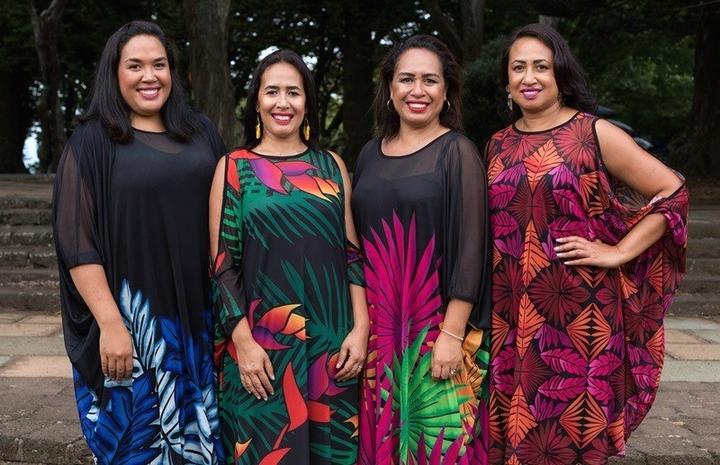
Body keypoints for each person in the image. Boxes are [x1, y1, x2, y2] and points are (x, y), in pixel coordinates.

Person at [486, 23, 688, 465]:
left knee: (570, 438)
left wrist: (618, 252)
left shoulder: (592, 134)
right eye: (518, 68)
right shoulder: (497, 144)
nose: (529, 77)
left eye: (541, 66)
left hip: (580, 313)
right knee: (514, 434)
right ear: (506, 81)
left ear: (560, 73)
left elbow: (672, 192)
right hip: (511, 311)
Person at [53, 20, 225, 463]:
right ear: (114, 73)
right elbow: (78, 244)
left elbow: (230, 218)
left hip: (200, 323)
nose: (150, 76)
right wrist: (111, 323)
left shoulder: (202, 132)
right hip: (136, 328)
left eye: (159, 65)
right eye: (135, 66)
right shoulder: (91, 142)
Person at [210, 49, 368, 465]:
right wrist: (243, 344)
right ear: (257, 101)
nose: (283, 102)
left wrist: (361, 328)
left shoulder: (331, 166)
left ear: (308, 103)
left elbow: (352, 255)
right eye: (272, 91)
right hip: (262, 347)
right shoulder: (234, 167)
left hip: (332, 345)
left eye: (293, 92)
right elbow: (222, 267)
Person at [352, 35, 492, 465]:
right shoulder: (368, 155)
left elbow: (471, 249)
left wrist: (451, 336)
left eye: (430, 80)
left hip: (435, 331)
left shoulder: (458, 152)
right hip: (377, 333)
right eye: (406, 79)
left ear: (446, 92)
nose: (418, 90)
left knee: (437, 446)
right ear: (389, 88)